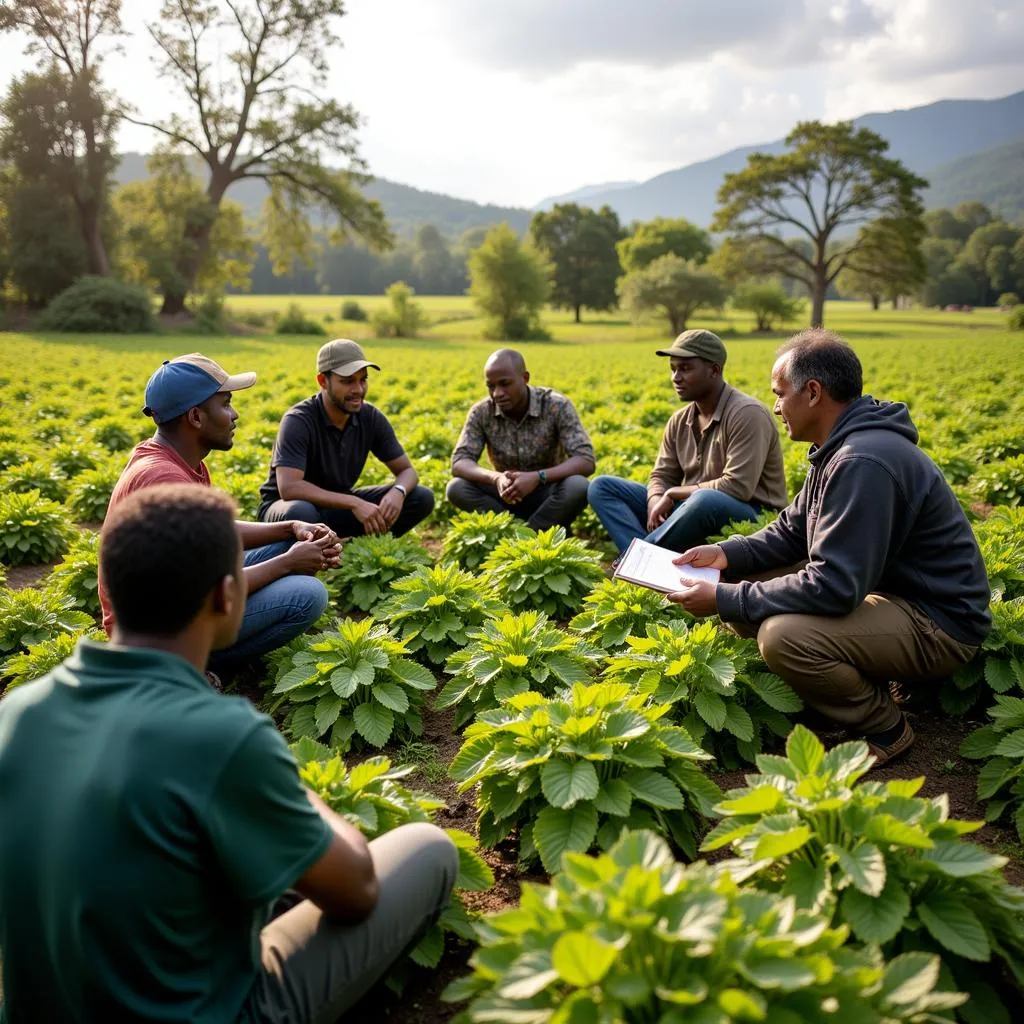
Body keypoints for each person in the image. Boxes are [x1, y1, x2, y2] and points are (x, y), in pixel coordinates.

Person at [0, 484, 458, 1022]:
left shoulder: (17, 712)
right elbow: (356, 890)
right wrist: (290, 785)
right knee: (429, 850)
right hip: (207, 1012)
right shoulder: (221, 735)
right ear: (226, 595)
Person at [668, 329, 991, 765]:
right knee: (741, 583)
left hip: (937, 623)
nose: (776, 407)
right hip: (890, 599)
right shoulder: (840, 446)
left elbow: (835, 587)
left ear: (814, 392)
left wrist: (726, 598)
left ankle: (884, 725)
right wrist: (727, 555)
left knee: (782, 636)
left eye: (780, 394)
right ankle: (833, 690)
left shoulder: (862, 460)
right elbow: (790, 530)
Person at [99, 353, 337, 671]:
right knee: (307, 595)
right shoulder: (163, 479)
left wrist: (291, 527)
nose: (235, 414)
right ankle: (190, 668)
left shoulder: (172, 459)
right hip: (155, 637)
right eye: (225, 404)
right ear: (196, 417)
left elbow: (214, 530)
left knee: (284, 545)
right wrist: (288, 563)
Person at [588, 329, 788, 554]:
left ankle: (640, 561)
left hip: (752, 514)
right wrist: (655, 499)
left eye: (685, 368)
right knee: (602, 487)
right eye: (673, 369)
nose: (676, 377)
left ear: (714, 370)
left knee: (705, 500)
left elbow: (737, 487)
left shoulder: (747, 414)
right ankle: (649, 558)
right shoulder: (680, 420)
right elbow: (661, 475)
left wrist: (673, 493)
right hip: (692, 509)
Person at [258, 339, 434, 538]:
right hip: (285, 510)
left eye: (363, 379)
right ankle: (311, 556)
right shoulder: (298, 420)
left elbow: (407, 471)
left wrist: (398, 491)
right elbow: (289, 488)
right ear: (323, 381)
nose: (358, 389)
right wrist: (355, 503)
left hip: (336, 505)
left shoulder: (370, 417)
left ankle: (358, 548)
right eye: (348, 381)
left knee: (420, 497)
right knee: (302, 511)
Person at [447, 348, 595, 531]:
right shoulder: (482, 412)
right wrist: (496, 478)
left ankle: (531, 534)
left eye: (505, 384)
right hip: (505, 495)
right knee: (457, 488)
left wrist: (538, 477)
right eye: (491, 386)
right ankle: (510, 531)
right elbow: (460, 462)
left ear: (525, 378)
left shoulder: (556, 405)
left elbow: (585, 460)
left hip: (547, 493)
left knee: (578, 486)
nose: (497, 393)